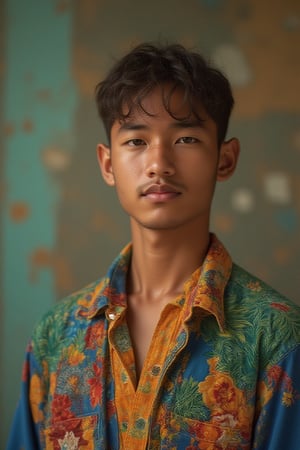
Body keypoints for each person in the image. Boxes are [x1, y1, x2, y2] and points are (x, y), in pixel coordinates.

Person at [7, 42, 300, 450]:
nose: (159, 163)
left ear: (225, 159)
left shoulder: (278, 338)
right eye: (136, 141)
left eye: (186, 139)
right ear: (108, 164)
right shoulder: (56, 337)